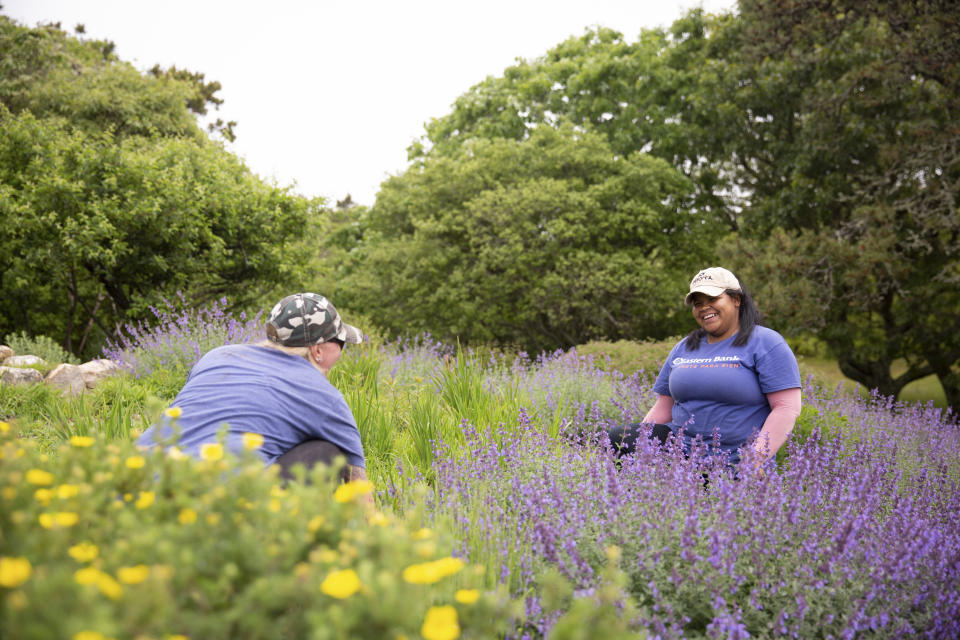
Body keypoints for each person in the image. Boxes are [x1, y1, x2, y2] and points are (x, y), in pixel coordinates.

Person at [136, 292, 367, 483]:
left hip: (133, 482)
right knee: (326, 454)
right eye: (341, 343)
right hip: (212, 505)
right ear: (317, 351)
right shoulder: (325, 396)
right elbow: (360, 494)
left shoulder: (216, 356)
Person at [610, 267, 802, 468]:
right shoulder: (683, 347)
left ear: (736, 300)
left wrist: (755, 460)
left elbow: (786, 408)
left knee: (709, 490)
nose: (704, 308)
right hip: (679, 451)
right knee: (620, 438)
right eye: (698, 303)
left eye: (713, 300)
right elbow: (664, 406)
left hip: (732, 459)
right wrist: (639, 445)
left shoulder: (766, 342)